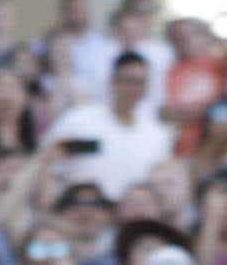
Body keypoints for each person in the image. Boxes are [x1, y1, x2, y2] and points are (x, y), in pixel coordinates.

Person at [45, 51, 171, 199]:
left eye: (140, 82)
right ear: (113, 81)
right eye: (128, 80)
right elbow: (48, 164)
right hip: (81, 212)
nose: (134, 88)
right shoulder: (80, 121)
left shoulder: (156, 134)